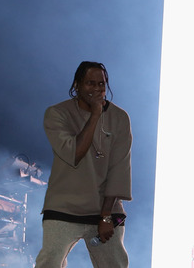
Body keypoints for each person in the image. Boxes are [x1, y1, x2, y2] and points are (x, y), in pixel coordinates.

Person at [35, 61, 132, 268]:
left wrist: (106, 216)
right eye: (90, 83)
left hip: (106, 209)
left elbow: (119, 168)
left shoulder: (120, 118)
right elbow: (74, 154)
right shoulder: (56, 114)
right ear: (77, 85)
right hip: (64, 206)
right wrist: (96, 115)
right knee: (49, 263)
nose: (97, 89)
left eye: (101, 84)